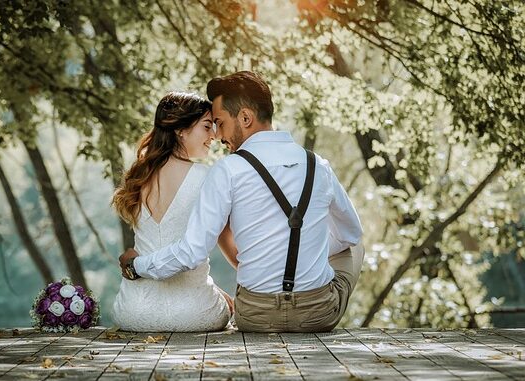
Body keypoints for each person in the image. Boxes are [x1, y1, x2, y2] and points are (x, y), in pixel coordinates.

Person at [119, 71, 364, 332]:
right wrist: (307, 252)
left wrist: (137, 265)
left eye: (220, 123)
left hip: (255, 316)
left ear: (245, 118)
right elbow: (350, 233)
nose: (218, 135)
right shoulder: (319, 166)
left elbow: (192, 251)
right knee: (354, 245)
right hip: (318, 314)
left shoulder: (227, 170)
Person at [111, 91, 234, 332]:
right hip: (195, 314)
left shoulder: (138, 177)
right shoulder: (208, 177)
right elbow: (193, 253)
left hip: (133, 312)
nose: (214, 135)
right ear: (180, 129)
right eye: (207, 126)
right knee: (227, 307)